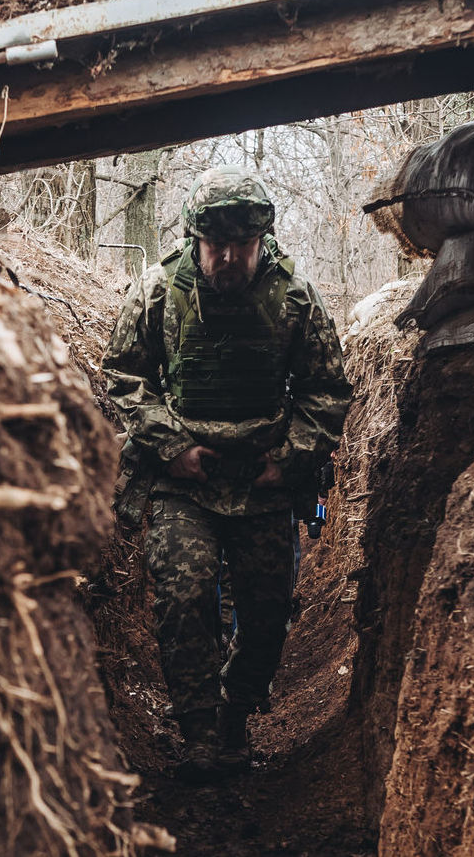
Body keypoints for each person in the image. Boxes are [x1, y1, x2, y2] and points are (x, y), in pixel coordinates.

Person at [102, 167, 352, 779]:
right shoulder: (158, 291)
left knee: (266, 611)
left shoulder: (295, 298)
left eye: (243, 245)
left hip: (264, 479)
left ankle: (236, 716)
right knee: (184, 598)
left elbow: (326, 390)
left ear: (261, 239)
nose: (230, 258)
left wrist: (287, 461)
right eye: (217, 245)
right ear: (196, 239)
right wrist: (171, 447)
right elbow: (125, 377)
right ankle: (198, 729)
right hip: (184, 479)